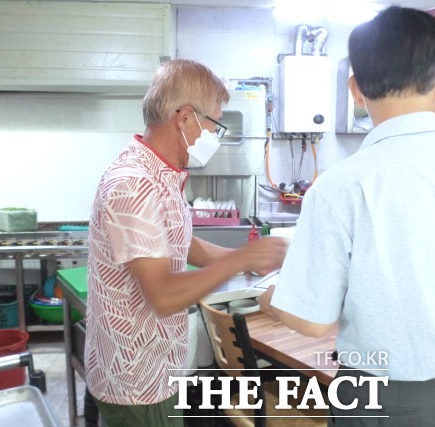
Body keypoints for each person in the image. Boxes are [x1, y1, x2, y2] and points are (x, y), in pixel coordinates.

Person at [258, 6, 435, 427]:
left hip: (375, 394)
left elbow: (312, 322)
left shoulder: (340, 186)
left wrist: (270, 301)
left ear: (356, 89)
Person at [85, 59, 288, 427]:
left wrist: (245, 261)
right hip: (138, 380)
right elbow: (163, 295)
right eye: (213, 124)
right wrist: (241, 257)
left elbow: (182, 244)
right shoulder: (134, 185)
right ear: (184, 118)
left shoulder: (160, 173)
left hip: (160, 367)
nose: (214, 134)